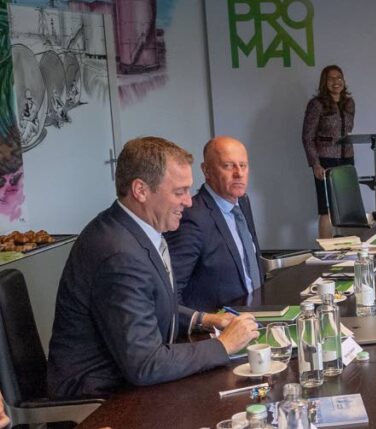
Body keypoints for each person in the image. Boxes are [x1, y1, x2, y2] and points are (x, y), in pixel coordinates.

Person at [47, 137, 259, 399]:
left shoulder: (134, 230)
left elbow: (148, 305)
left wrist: (202, 319)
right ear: (141, 190)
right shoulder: (119, 254)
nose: (189, 202)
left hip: (128, 380)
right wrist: (223, 346)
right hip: (103, 397)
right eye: (179, 192)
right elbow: (145, 364)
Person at [166, 136, 263, 313]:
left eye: (243, 165)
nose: (239, 173)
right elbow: (172, 292)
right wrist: (200, 326)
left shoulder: (242, 202)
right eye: (228, 166)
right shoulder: (191, 217)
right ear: (206, 170)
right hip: (218, 327)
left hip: (256, 314)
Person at [302, 65, 355, 238]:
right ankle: (326, 255)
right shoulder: (317, 105)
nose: (336, 82)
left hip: (347, 159)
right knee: (327, 209)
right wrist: (315, 164)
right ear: (324, 82)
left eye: (339, 77)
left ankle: (347, 251)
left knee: (347, 208)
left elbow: (349, 129)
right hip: (325, 160)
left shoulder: (349, 103)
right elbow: (307, 136)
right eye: (331, 78)